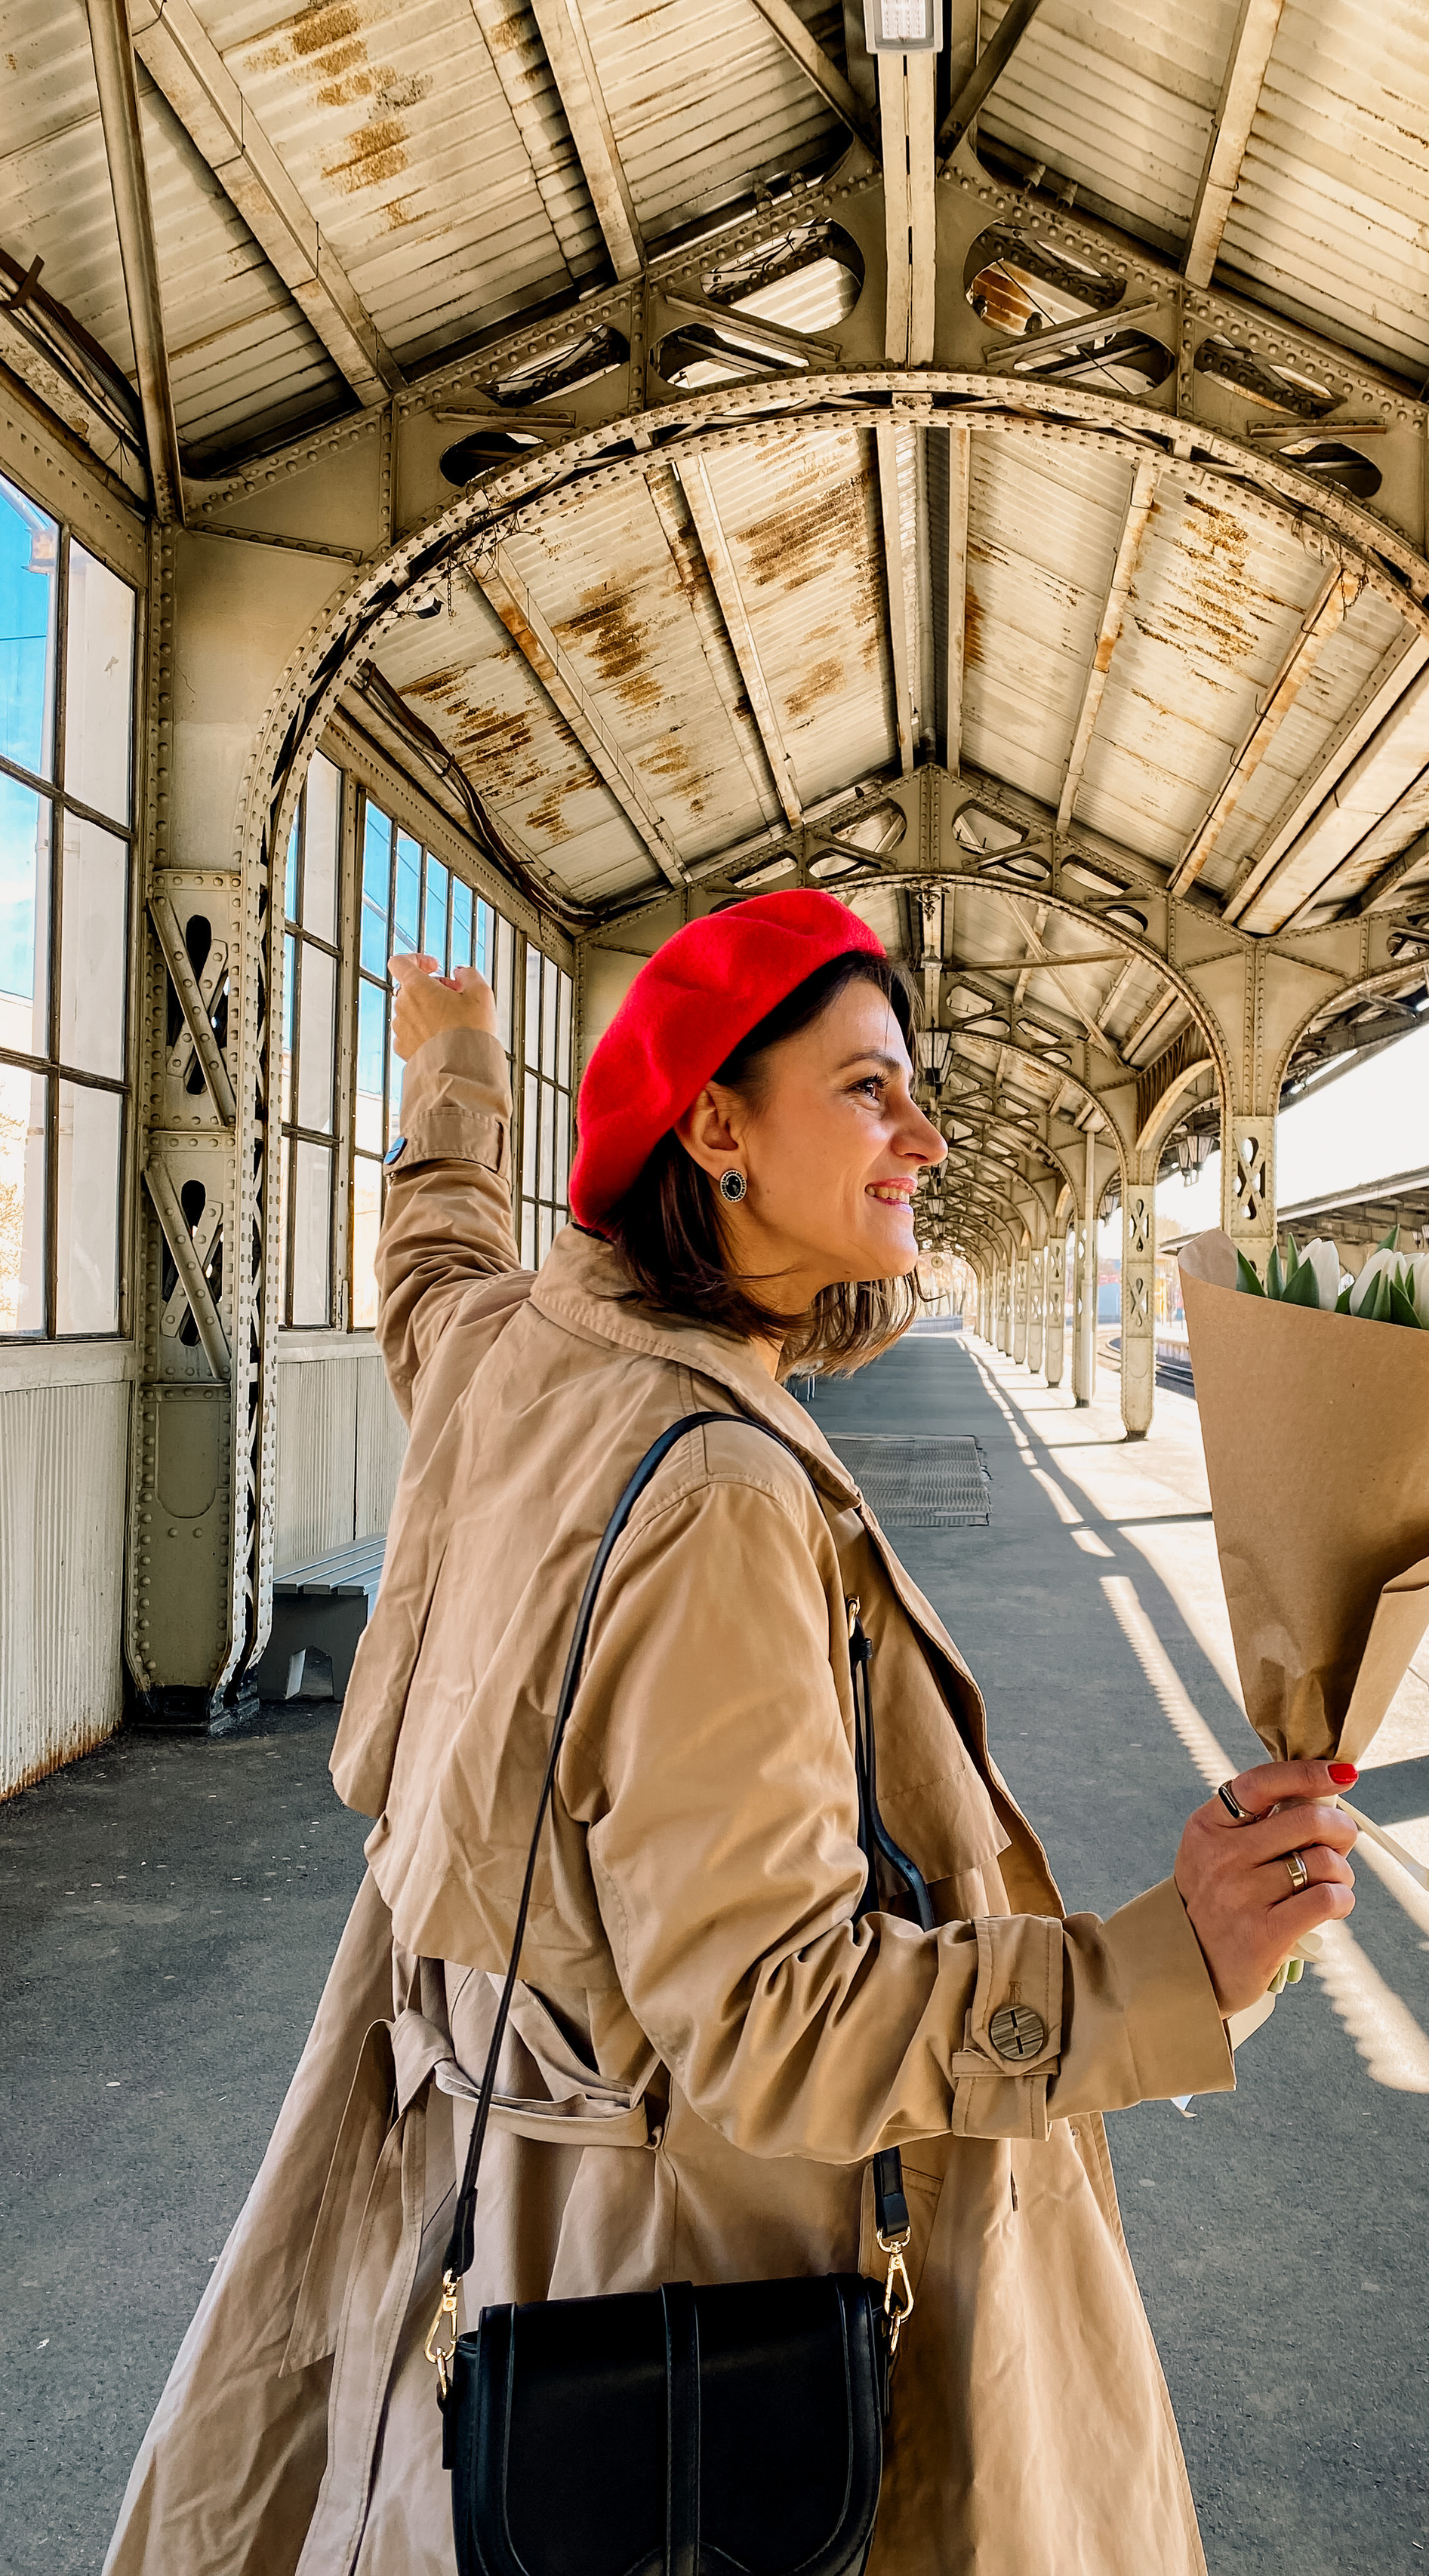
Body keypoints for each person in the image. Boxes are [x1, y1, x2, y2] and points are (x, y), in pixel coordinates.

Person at [104, 888, 1357, 2575]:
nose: (923, 1130)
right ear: (714, 1129)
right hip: (701, 2271)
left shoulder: (532, 1349)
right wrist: (1167, 1966)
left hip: (514, 2198)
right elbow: (776, 2023)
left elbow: (435, 1277)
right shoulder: (713, 1493)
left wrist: (458, 1069)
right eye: (864, 1089)